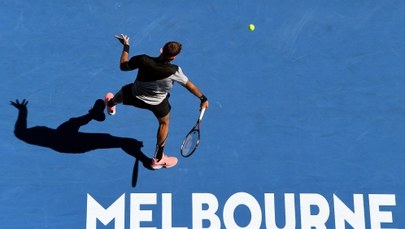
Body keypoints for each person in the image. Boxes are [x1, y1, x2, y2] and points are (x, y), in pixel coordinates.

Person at [105, 34, 209, 170]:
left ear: (161, 50)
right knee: (164, 123)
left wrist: (126, 46)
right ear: (173, 57)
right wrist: (203, 99)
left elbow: (123, 66)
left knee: (123, 92)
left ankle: (111, 104)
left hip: (135, 95)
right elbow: (190, 86)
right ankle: (158, 159)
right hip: (158, 104)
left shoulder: (143, 59)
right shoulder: (175, 71)